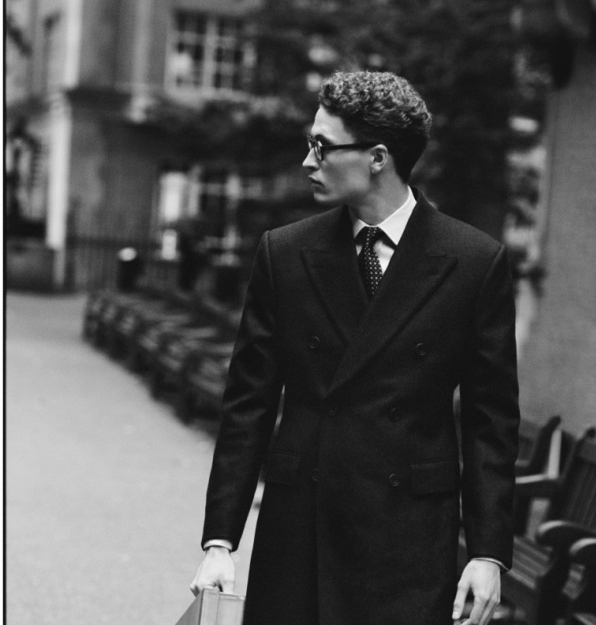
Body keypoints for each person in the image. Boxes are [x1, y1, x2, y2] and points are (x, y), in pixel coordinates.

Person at [190, 71, 520, 625]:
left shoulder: (473, 262)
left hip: (408, 539)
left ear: (377, 158)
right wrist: (220, 541)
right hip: (300, 529)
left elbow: (491, 422)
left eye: (323, 146)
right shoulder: (285, 253)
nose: (307, 161)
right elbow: (247, 406)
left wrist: (487, 553)